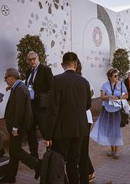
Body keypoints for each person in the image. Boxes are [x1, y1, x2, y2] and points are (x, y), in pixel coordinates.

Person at [43, 52, 92, 183]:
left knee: (58, 163)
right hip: (80, 129)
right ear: (76, 65)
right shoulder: (84, 82)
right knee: (73, 163)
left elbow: (52, 109)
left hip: (62, 130)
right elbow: (87, 105)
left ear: (62, 65)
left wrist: (48, 135)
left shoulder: (57, 80)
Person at [0, 68, 42, 183]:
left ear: (11, 77)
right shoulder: (18, 87)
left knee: (15, 150)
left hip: (18, 127)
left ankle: (37, 164)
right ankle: (11, 177)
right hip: (18, 126)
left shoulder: (20, 89)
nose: (5, 80)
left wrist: (15, 127)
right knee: (13, 151)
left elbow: (19, 111)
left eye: (5, 78)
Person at [90, 68, 128, 159]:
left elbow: (126, 95)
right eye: (115, 76)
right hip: (107, 110)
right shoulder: (104, 85)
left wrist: (118, 97)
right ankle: (112, 149)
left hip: (117, 110)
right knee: (109, 129)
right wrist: (109, 96)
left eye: (118, 75)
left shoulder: (121, 84)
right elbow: (102, 97)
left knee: (116, 130)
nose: (117, 77)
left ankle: (117, 150)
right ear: (110, 77)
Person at [25, 51, 53, 159]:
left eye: (34, 59)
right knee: (30, 131)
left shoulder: (45, 70)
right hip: (30, 107)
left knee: (45, 132)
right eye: (30, 59)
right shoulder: (28, 71)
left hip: (42, 107)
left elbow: (52, 86)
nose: (32, 61)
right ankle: (34, 156)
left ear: (38, 58)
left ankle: (51, 155)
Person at [76, 58, 95, 184]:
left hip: (82, 119)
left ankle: (87, 174)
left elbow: (88, 102)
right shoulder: (84, 82)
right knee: (81, 149)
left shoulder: (83, 82)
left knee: (81, 150)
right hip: (82, 118)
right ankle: (89, 172)